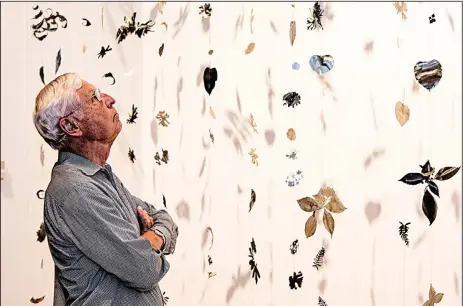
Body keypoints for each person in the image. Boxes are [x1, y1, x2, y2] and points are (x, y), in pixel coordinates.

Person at [32, 73, 178, 306]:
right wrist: (153, 240)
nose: (110, 99)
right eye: (95, 97)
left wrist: (150, 238)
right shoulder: (76, 190)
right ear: (71, 126)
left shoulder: (100, 177)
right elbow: (145, 269)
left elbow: (164, 218)